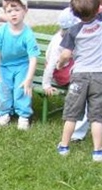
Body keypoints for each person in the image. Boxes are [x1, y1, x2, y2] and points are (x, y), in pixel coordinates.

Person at [56, 0, 102, 161]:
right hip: (99, 75)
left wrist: (60, 63)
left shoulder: (74, 30)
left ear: (74, 12)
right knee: (97, 116)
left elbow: (66, 55)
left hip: (80, 76)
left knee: (72, 114)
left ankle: (64, 146)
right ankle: (97, 151)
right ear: (98, 9)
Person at [0, 0, 39, 130]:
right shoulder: (1, 31)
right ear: (5, 13)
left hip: (22, 65)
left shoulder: (28, 34)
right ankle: (4, 113)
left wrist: (28, 78)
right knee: (3, 89)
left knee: (21, 89)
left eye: (17, 10)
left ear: (25, 11)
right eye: (9, 11)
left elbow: (33, 58)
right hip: (4, 66)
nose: (13, 14)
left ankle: (23, 115)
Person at [43, 7, 89, 142]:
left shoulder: (72, 35)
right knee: (84, 89)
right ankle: (76, 132)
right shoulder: (60, 42)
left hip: (71, 67)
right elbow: (52, 64)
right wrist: (46, 84)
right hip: (61, 71)